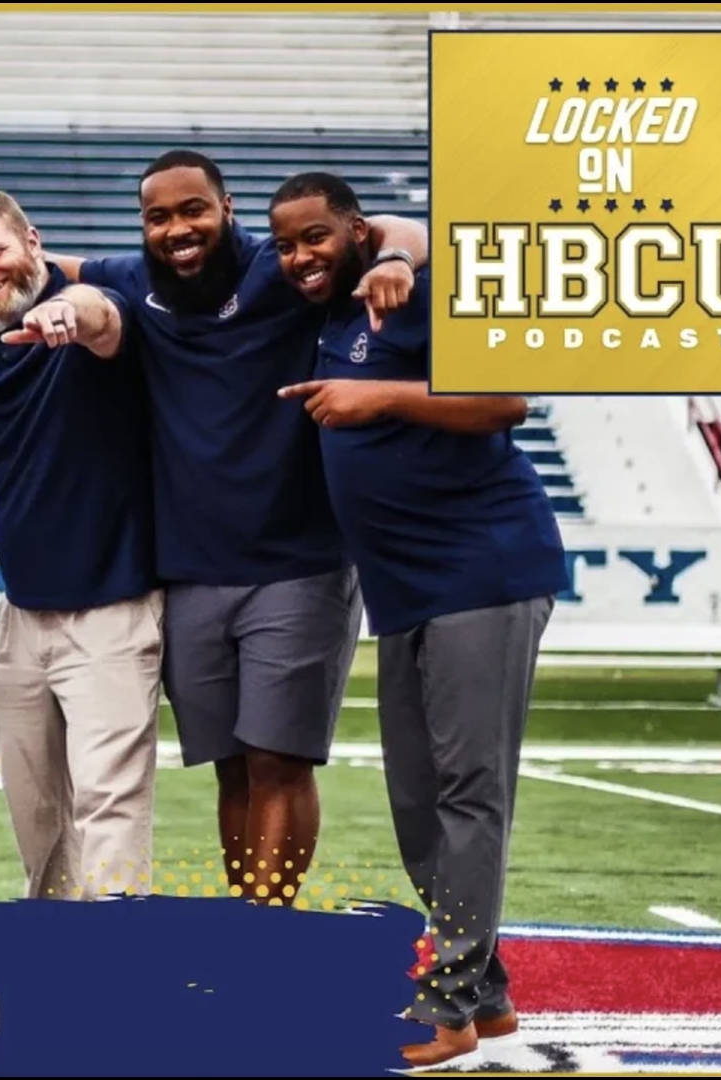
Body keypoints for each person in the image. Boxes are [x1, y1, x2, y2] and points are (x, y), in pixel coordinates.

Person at [54, 149, 429, 905]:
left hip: (300, 563)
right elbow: (46, 263)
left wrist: (390, 257)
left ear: (227, 210)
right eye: (158, 216)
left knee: (279, 760)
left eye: (194, 209)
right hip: (190, 571)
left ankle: (266, 939)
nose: (178, 228)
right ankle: (246, 933)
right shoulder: (133, 280)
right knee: (231, 764)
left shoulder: (278, 268)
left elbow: (393, 226)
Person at [269, 172, 567, 1068]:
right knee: (416, 804)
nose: (299, 257)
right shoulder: (326, 302)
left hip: (485, 569)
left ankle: (450, 1004)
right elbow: (394, 230)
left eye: (316, 238)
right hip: (403, 591)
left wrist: (384, 396)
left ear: (355, 230)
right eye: (286, 245)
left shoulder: (424, 291)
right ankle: (494, 996)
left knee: (471, 794)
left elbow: (509, 401)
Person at [0, 189, 165, 901]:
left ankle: (116, 973)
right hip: (22, 613)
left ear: (33, 241)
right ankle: (59, 962)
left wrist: (72, 313)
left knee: (109, 805)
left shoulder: (87, 301)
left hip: (111, 608)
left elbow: (104, 321)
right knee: (37, 820)